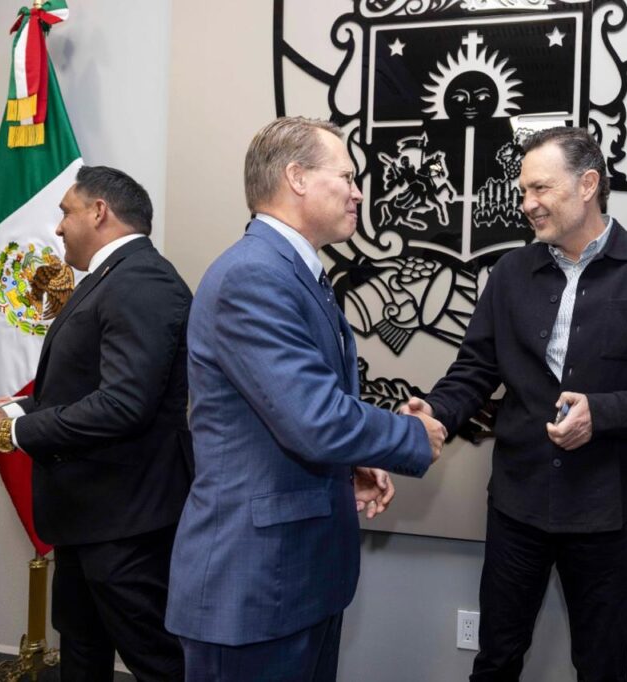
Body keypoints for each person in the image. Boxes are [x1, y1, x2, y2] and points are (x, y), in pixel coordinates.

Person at [402, 126, 627, 682]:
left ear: (588, 185)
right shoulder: (510, 273)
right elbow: (474, 370)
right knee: (495, 661)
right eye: (523, 190)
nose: (527, 203)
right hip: (517, 505)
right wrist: (433, 413)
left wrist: (604, 413)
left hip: (610, 510)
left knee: (601, 668)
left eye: (540, 188)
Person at [165, 117, 447, 681]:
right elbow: (314, 420)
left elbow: (284, 413)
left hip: (295, 581)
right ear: (296, 177)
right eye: (346, 176)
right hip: (253, 588)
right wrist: (414, 435)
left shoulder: (289, 271)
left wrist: (349, 466)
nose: (358, 192)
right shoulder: (254, 276)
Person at [0, 166, 193, 681]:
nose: (58, 227)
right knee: (81, 654)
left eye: (66, 212)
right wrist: (5, 409)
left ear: (99, 211)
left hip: (126, 525)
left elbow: (123, 404)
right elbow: (76, 390)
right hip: (87, 517)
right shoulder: (108, 278)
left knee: (157, 662)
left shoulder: (142, 280)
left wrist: (8, 432)